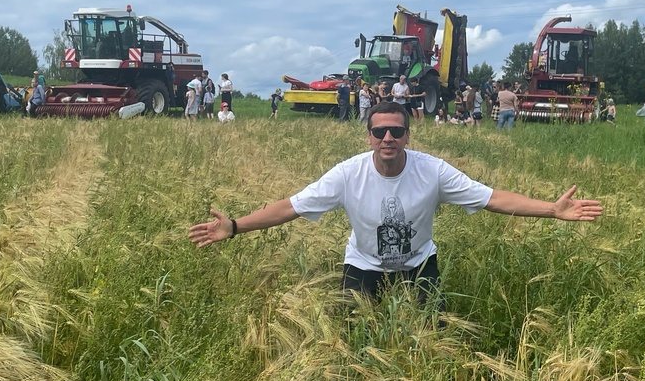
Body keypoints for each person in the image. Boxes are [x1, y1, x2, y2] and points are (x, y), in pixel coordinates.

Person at [188, 101, 603, 301]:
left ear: (408, 135)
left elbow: (491, 197)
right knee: (355, 349)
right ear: (368, 135)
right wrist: (236, 226)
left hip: (420, 266)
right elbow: (290, 207)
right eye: (380, 132)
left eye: (396, 132)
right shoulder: (348, 174)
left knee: (430, 343)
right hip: (363, 267)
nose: (388, 138)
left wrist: (552, 208)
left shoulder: (432, 170)